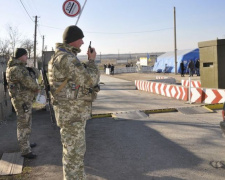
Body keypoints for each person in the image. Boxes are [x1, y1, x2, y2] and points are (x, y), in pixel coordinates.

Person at [48, 25, 100, 180]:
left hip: (70, 113)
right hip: (72, 114)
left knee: (73, 153)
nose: (83, 42)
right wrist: (91, 61)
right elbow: (90, 80)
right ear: (74, 40)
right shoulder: (67, 59)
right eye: (81, 39)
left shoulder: (60, 56)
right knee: (74, 154)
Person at [6, 48, 40, 159]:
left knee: (26, 123)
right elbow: (31, 83)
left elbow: (31, 77)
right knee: (23, 125)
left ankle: (26, 143)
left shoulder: (17, 68)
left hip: (23, 100)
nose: (27, 57)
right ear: (20, 56)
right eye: (25, 55)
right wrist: (36, 88)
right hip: (22, 102)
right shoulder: (17, 69)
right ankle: (25, 150)